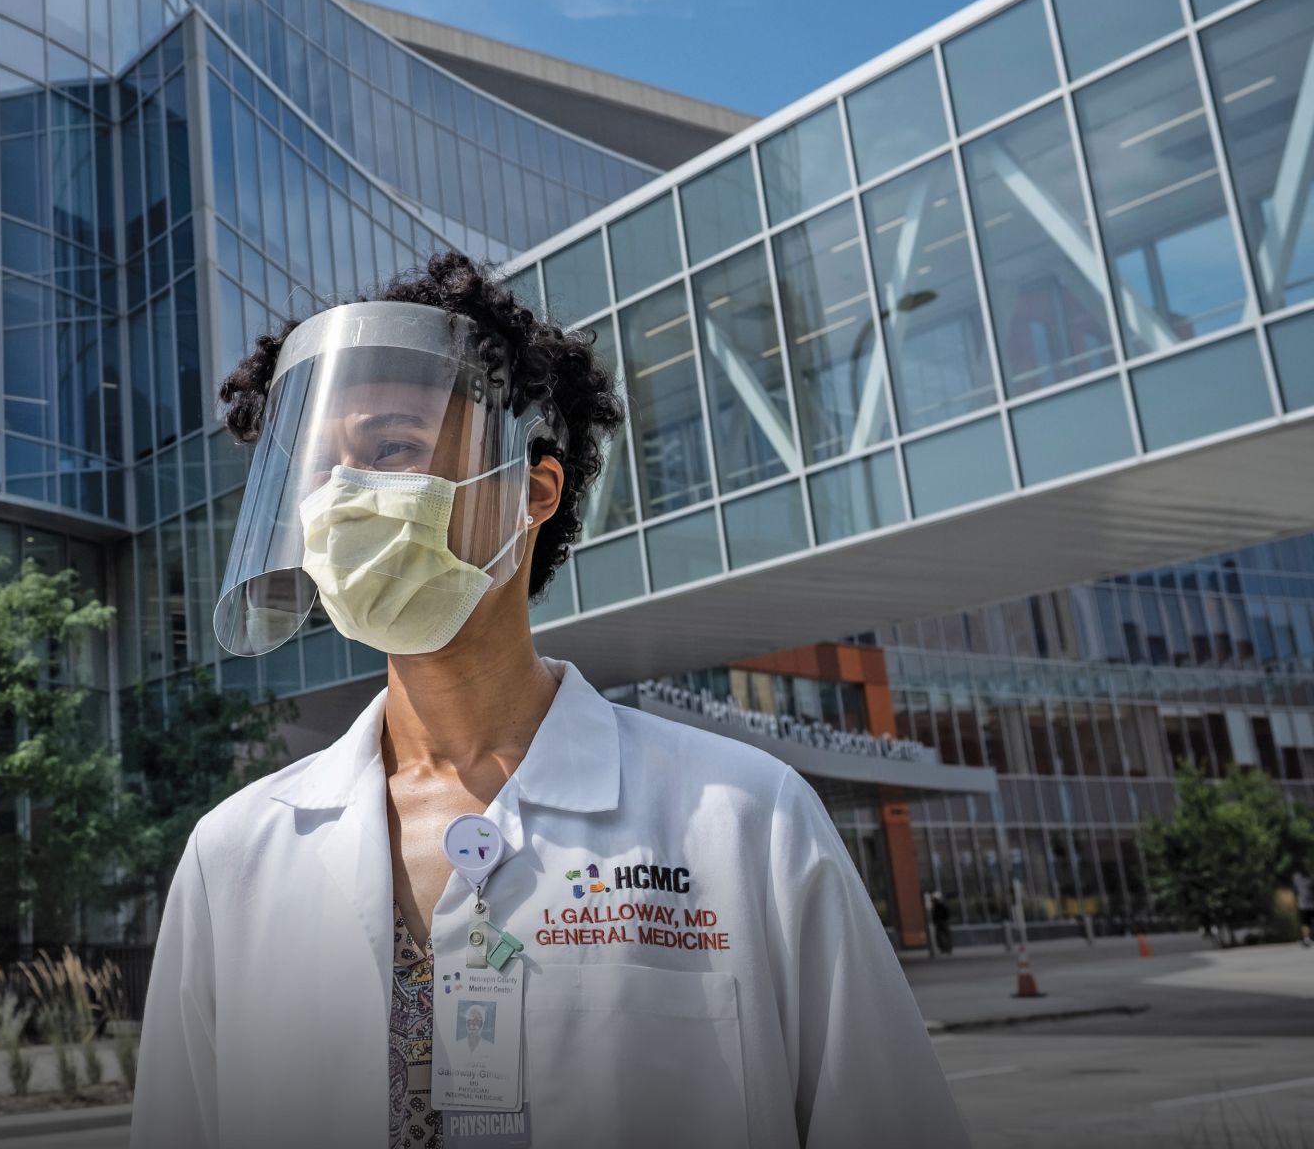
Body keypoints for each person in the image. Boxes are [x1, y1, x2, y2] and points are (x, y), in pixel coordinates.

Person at [133, 254, 965, 1149]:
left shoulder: (745, 823)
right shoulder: (237, 856)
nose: (344, 501)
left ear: (532, 490)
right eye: (319, 473)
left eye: (392, 450)